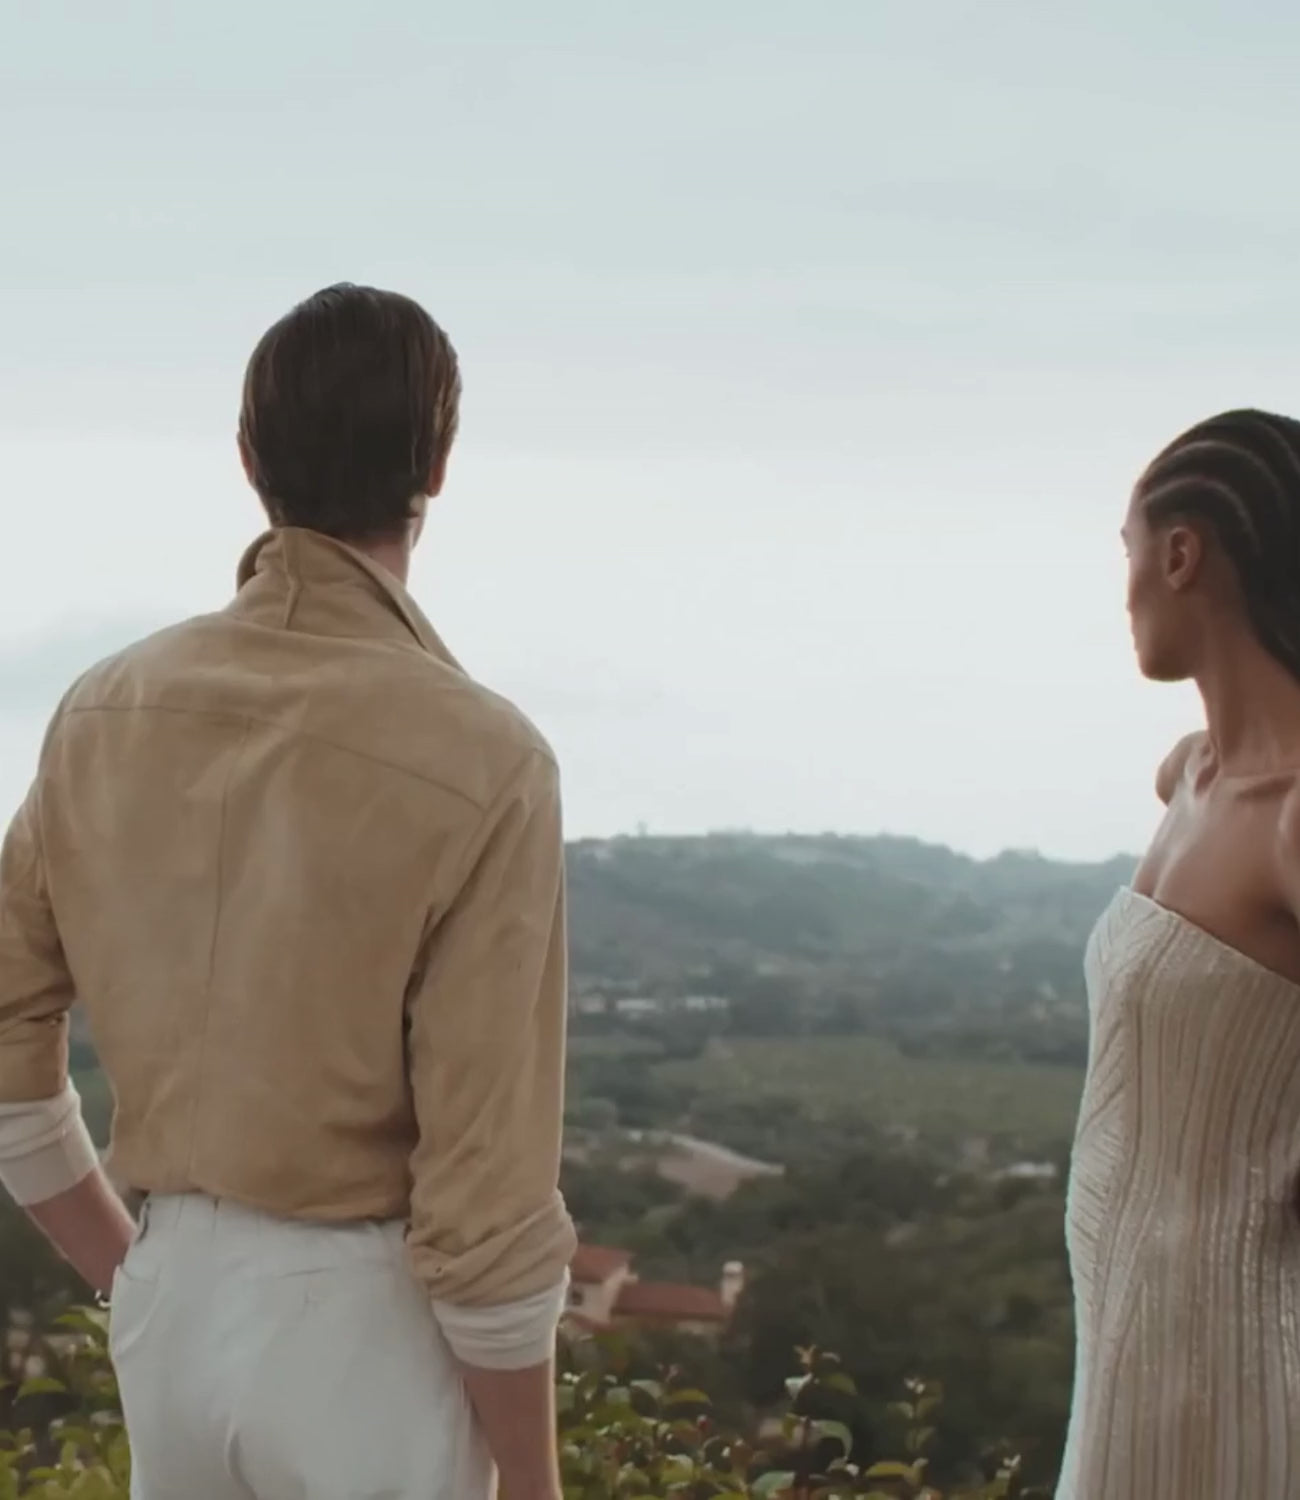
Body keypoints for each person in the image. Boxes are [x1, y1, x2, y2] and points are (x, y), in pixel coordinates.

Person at [0, 284, 577, 1500]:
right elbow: (486, 1193)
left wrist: (134, 1271)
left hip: (168, 1306)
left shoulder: (103, 710)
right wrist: (532, 1481)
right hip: (365, 1328)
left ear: (249, 456)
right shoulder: (487, 758)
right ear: (437, 464)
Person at [1059, 408, 1300, 1499]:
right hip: (1129, 1346)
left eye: (1129, 552)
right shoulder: (1186, 777)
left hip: (1233, 1364)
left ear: (1181, 552)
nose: (1124, 594)